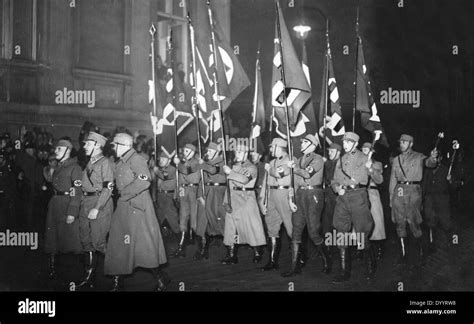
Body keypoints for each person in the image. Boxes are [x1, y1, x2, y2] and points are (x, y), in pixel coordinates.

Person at [105, 133, 168, 291]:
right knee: (118, 243)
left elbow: (144, 180)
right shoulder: (121, 161)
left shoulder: (136, 159)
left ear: (124, 145)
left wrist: (125, 193)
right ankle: (117, 282)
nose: (113, 148)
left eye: (115, 145)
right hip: (125, 206)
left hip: (137, 207)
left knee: (144, 245)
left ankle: (160, 279)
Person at [281, 134, 330, 277]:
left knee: (313, 231)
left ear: (313, 145)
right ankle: (294, 266)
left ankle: (327, 259)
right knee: (296, 229)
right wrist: (291, 197)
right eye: (302, 142)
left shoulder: (318, 159)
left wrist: (294, 167)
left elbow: (307, 174)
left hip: (313, 194)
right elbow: (295, 180)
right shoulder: (300, 159)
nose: (301, 144)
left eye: (305, 142)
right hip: (300, 194)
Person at [331, 132, 376, 282]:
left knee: (362, 233)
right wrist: (337, 188)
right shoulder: (341, 160)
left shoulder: (365, 158)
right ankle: (345, 271)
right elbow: (334, 180)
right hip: (343, 198)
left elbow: (379, 179)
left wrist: (371, 169)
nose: (345, 145)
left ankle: (369, 268)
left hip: (358, 196)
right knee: (341, 232)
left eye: (348, 142)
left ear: (355, 144)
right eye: (344, 142)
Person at [389, 134, 438, 266]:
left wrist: (433, 157)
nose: (402, 144)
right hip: (398, 191)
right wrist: (390, 197)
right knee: (399, 223)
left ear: (411, 144)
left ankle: (422, 252)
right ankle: (403, 254)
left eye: (405, 142)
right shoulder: (396, 159)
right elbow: (393, 179)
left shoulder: (419, 156)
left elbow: (430, 163)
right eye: (401, 142)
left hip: (413, 190)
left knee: (413, 221)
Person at [76, 132, 114, 289]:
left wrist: (97, 208)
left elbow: (108, 188)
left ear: (97, 145)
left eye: (88, 144)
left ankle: (117, 277)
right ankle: (89, 276)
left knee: (99, 243)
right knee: (86, 241)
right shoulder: (90, 162)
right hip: (86, 202)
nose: (84, 146)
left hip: (100, 203)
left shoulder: (105, 163)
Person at [44, 138, 83, 279]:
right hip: (55, 204)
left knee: (69, 241)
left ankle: (72, 275)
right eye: (56, 148)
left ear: (68, 150)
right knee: (54, 239)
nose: (56, 151)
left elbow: (77, 191)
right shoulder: (59, 166)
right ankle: (55, 272)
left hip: (66, 205)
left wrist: (72, 212)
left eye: (59, 149)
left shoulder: (75, 168)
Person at [221, 144, 266, 264]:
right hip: (233, 198)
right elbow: (229, 185)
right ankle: (231, 255)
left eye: (240, 152)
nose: (237, 154)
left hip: (246, 199)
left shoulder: (252, 167)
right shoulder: (234, 166)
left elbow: (244, 179)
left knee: (252, 227)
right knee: (232, 228)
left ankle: (257, 252)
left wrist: (230, 172)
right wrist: (226, 201)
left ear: (246, 154)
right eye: (236, 152)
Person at [260, 138, 296, 271]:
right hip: (272, 195)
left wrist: (270, 169)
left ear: (279, 147)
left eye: (272, 147)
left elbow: (280, 173)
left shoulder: (290, 160)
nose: (270, 150)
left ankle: (299, 258)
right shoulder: (271, 162)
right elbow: (265, 183)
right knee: (271, 229)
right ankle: (272, 260)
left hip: (285, 194)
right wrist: (263, 201)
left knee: (291, 228)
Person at [195, 142, 227, 260]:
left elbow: (213, 170)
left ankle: (230, 250)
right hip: (206, 192)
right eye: (207, 151)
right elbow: (201, 180)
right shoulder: (205, 163)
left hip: (218, 193)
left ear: (217, 151)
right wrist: (199, 195)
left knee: (221, 221)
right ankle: (203, 249)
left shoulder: (223, 162)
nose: (207, 153)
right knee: (202, 221)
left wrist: (202, 164)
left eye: (210, 151)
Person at [173, 143, 201, 258]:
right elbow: (179, 179)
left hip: (194, 190)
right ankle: (181, 247)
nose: (184, 153)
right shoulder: (182, 162)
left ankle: (201, 248)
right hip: (183, 190)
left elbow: (186, 171)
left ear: (193, 152)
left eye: (187, 151)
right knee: (183, 219)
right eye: (184, 150)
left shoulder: (196, 162)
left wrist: (177, 164)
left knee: (195, 221)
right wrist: (176, 194)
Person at [422, 153, 453, 253]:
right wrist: (422, 198)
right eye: (434, 158)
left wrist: (450, 180)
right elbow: (424, 185)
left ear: (441, 158)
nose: (436, 159)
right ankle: (432, 244)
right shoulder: (427, 170)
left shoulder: (446, 169)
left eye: (437, 157)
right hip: (430, 198)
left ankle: (450, 242)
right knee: (430, 221)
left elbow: (453, 187)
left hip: (442, 198)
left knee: (445, 221)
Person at [361, 142, 386, 260]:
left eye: (367, 149)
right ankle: (361, 249)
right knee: (360, 221)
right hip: (360, 193)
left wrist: (370, 167)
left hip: (372, 193)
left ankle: (379, 247)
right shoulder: (358, 162)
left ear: (372, 151)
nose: (365, 150)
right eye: (363, 148)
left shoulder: (377, 164)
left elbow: (379, 179)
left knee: (377, 221)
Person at [153, 152, 180, 237]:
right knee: (159, 215)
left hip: (168, 196)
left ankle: (179, 234)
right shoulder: (160, 169)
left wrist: (156, 171)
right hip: (160, 195)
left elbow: (165, 177)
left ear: (169, 160)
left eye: (164, 159)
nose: (161, 161)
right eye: (160, 159)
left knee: (171, 216)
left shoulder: (172, 169)